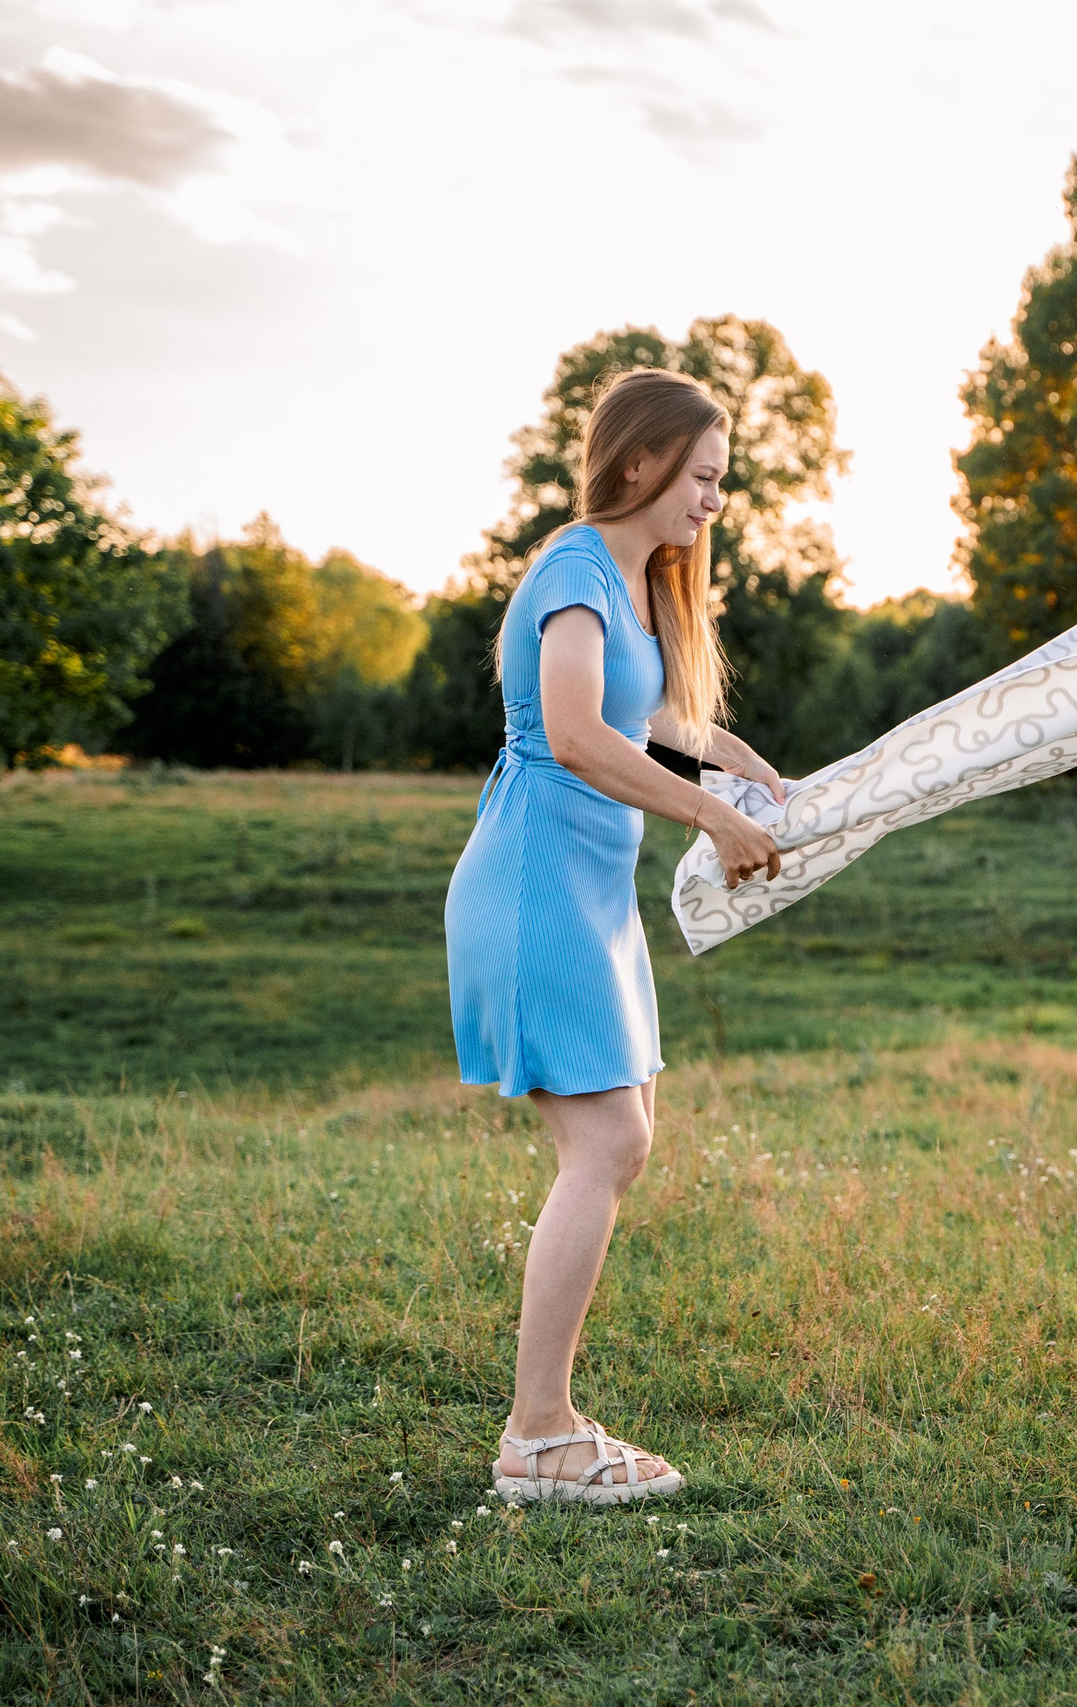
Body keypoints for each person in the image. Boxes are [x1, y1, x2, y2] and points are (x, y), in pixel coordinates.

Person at [446, 368, 787, 1504]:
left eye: (721, 484)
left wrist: (722, 755)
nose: (711, 502)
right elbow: (577, 734)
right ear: (637, 462)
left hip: (590, 898)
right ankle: (537, 1435)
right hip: (536, 885)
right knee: (603, 1148)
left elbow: (643, 718)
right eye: (700, 477)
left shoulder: (640, 586)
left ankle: (544, 1424)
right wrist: (709, 813)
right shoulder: (575, 568)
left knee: (621, 1139)